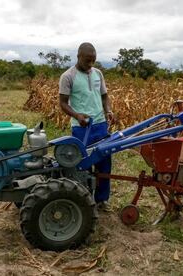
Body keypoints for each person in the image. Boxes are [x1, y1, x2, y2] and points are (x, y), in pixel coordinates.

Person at [58, 42, 115, 211]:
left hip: (100, 126)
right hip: (81, 128)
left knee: (105, 163)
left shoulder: (98, 74)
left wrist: (109, 111)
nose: (91, 64)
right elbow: (62, 103)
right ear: (78, 56)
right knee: (82, 165)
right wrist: (77, 115)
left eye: (93, 61)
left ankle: (102, 200)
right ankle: (85, 200)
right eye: (87, 60)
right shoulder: (68, 76)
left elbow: (104, 97)